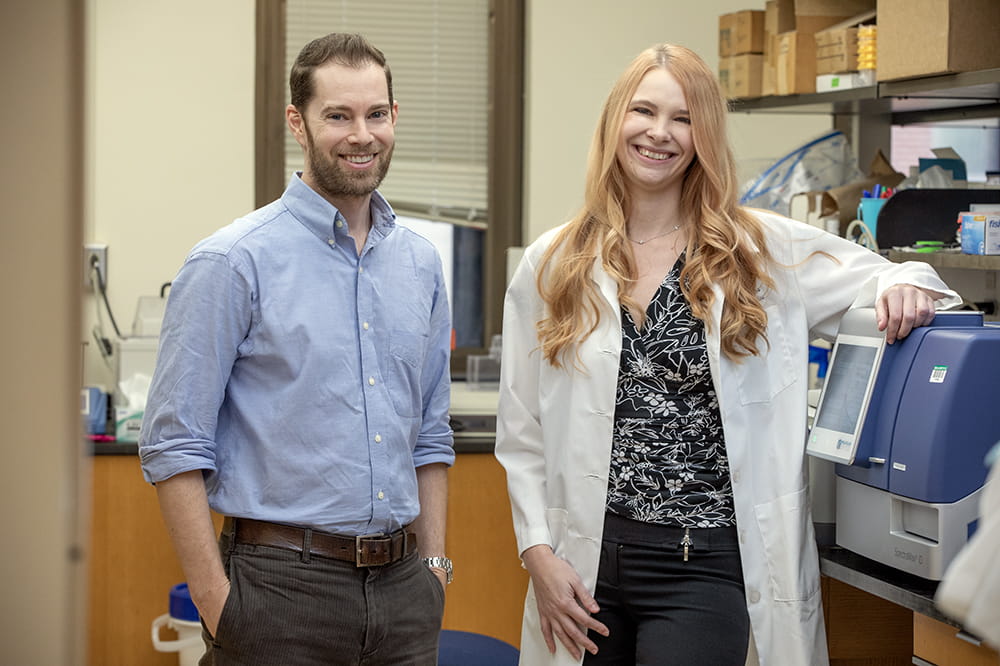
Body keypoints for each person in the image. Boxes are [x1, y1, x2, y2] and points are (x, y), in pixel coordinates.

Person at [494, 43, 959, 666]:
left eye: (683, 118)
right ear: (614, 122)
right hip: (583, 565)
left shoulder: (761, 251)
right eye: (644, 111)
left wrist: (901, 287)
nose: (660, 133)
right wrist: (537, 554)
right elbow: (520, 430)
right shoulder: (552, 262)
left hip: (704, 566)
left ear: (704, 136)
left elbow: (914, 283)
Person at [139, 33, 455, 665]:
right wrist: (216, 600)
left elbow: (431, 435)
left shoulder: (420, 264)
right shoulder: (233, 262)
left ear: (395, 117)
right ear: (297, 123)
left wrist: (435, 570)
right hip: (276, 591)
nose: (360, 134)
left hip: (403, 595)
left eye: (376, 114)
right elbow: (173, 444)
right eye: (337, 115)